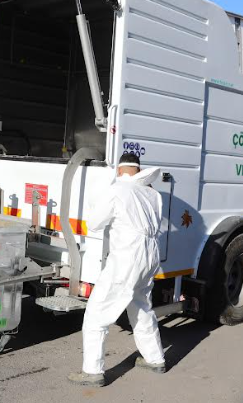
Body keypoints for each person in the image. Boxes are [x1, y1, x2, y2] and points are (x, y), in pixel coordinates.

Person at [68, 153, 166, 387]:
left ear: (118, 171)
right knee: (141, 306)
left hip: (127, 257)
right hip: (150, 256)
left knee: (96, 313)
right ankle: (155, 359)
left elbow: (94, 223)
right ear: (138, 170)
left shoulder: (117, 190)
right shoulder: (154, 194)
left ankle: (92, 372)